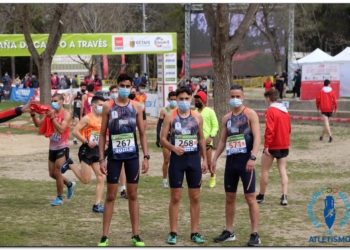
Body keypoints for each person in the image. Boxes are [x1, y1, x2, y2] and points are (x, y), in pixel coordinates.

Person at [97, 73, 149, 247]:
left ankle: (135, 235)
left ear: (131, 88)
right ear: (117, 86)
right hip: (113, 156)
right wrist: (102, 159)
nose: (125, 89)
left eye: (128, 86)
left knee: (133, 194)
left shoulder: (137, 107)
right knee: (111, 195)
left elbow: (142, 133)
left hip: (132, 156)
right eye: (123, 86)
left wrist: (146, 157)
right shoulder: (107, 107)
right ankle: (104, 236)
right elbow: (103, 135)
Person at [210, 85, 261, 246]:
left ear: (243, 97)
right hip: (231, 163)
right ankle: (229, 231)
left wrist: (253, 157)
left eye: (238, 96)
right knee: (229, 197)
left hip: (246, 162)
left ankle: (255, 234)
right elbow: (223, 141)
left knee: (250, 198)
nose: (235, 98)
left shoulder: (250, 114)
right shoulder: (227, 118)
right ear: (228, 97)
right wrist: (215, 158)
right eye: (232, 96)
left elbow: (258, 137)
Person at [160, 86, 208, 245]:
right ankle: (173, 232)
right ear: (176, 100)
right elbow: (162, 139)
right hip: (177, 160)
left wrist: (205, 160)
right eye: (180, 99)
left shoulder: (197, 116)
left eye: (187, 99)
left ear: (191, 99)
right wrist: (173, 148)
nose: (184, 102)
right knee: (175, 197)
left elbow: (201, 139)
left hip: (193, 159)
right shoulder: (169, 116)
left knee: (195, 197)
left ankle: (194, 232)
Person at [61, 95, 106, 213]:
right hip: (86, 150)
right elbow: (75, 132)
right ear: (94, 105)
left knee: (101, 177)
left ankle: (97, 205)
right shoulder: (87, 118)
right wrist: (86, 141)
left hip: (96, 150)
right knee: (86, 180)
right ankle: (70, 163)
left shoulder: (102, 118)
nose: (103, 107)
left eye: (104, 105)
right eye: (101, 105)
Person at [31, 93, 76, 206]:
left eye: (56, 101)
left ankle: (59, 198)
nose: (54, 103)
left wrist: (52, 118)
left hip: (63, 146)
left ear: (62, 101)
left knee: (58, 171)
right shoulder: (50, 113)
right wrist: (33, 115)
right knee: (52, 174)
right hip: (52, 147)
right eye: (52, 101)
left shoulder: (66, 114)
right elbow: (38, 125)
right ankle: (69, 184)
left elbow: (61, 130)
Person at [256, 89, 291, 206]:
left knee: (265, 170)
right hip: (284, 144)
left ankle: (261, 195)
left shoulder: (270, 111)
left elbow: (269, 130)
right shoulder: (285, 111)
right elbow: (289, 129)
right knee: (283, 170)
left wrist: (266, 146)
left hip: (273, 145)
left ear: (268, 98)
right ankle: (284, 196)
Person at [194, 91, 219, 188]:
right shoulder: (194, 112)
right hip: (196, 142)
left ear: (203, 100)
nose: (196, 102)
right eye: (195, 100)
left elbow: (215, 126)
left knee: (208, 162)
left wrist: (211, 136)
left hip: (207, 142)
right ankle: (197, 179)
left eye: (198, 100)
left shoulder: (210, 111)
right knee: (196, 162)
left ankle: (212, 176)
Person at [108, 85, 128, 199]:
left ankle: (123, 188)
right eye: (113, 91)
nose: (115, 93)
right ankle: (111, 188)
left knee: (123, 165)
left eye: (116, 91)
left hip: (122, 138)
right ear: (110, 93)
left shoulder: (126, 106)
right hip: (109, 139)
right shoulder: (107, 106)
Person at [156, 91, 178, 188]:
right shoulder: (164, 111)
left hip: (177, 137)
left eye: (175, 99)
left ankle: (176, 180)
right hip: (167, 137)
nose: (173, 101)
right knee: (166, 160)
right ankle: (165, 180)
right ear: (168, 99)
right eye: (171, 99)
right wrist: (158, 137)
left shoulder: (179, 110)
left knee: (177, 160)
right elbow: (159, 125)